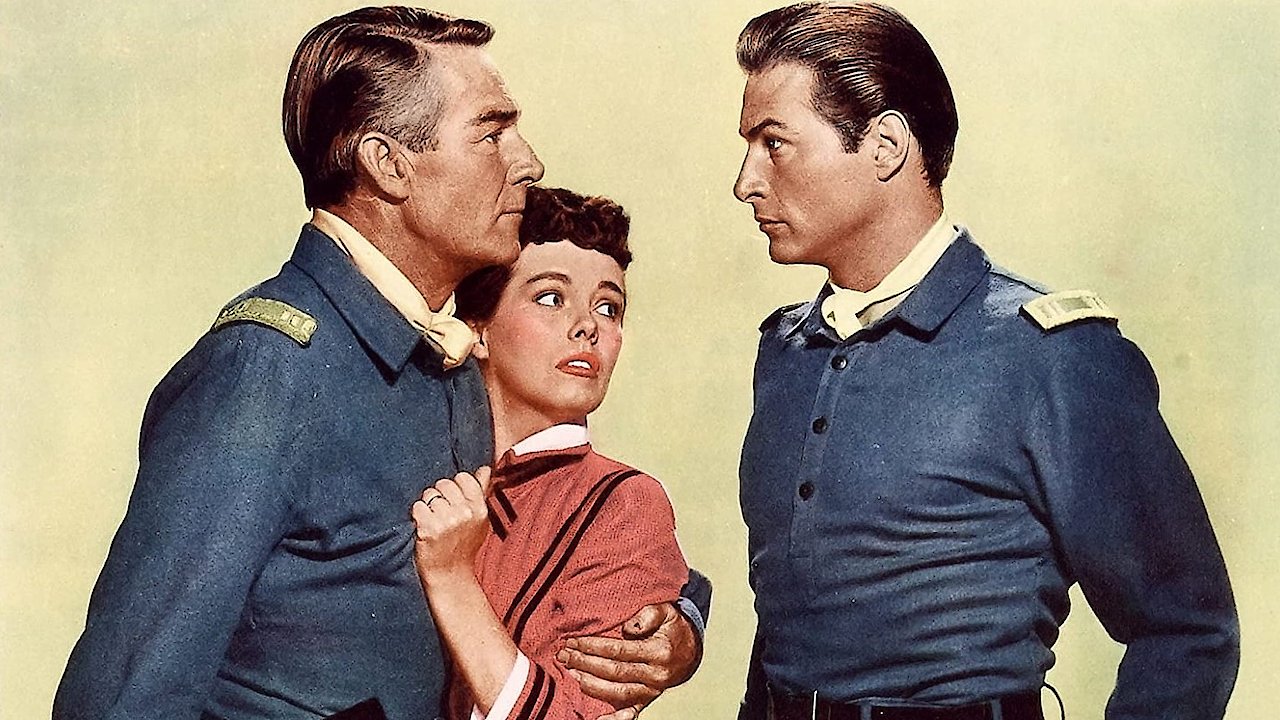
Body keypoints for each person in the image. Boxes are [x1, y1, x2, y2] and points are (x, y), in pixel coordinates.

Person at [54, 8, 704, 720]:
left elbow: (561, 517)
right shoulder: (266, 370)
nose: (528, 162)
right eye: (491, 133)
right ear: (389, 164)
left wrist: (681, 622)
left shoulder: (442, 355)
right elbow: (126, 691)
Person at [731, 3, 1239, 720]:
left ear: (885, 146)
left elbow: (1187, 631)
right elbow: (794, 621)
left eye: (774, 143)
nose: (745, 182)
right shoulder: (786, 352)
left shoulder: (1051, 354)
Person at [410, 185, 690, 720]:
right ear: (478, 330)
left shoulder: (624, 504)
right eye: (551, 298)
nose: (588, 326)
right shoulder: (415, 457)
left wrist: (451, 578)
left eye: (609, 308)